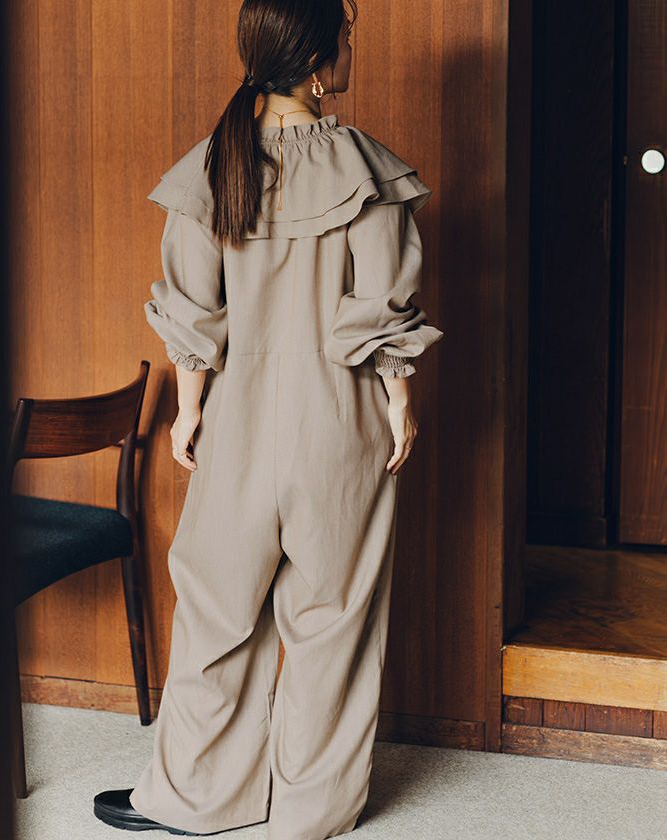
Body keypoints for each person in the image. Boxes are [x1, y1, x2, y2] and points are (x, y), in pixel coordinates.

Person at [94, 0, 444, 837]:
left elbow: (191, 311)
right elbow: (384, 303)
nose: (351, 49)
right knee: (333, 616)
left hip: (239, 421)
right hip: (341, 421)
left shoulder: (213, 163)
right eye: (346, 37)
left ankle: (196, 799)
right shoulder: (366, 170)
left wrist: (188, 413)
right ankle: (311, 812)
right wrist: (400, 403)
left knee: (217, 608)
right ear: (319, 60)